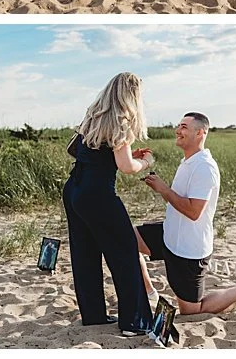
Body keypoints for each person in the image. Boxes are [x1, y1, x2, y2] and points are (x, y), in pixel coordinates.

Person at [135, 113, 236, 315]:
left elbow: (194, 212)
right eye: (179, 125)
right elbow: (179, 200)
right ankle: (149, 292)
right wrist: (161, 188)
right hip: (169, 235)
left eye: (184, 127)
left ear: (200, 133)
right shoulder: (187, 162)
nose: (178, 130)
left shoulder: (205, 167)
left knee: (192, 311)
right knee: (126, 238)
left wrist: (164, 189)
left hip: (189, 250)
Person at [62, 73, 154, 336]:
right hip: (98, 194)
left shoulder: (94, 115)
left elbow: (94, 152)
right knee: (124, 252)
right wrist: (145, 162)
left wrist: (125, 155)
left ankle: (93, 316)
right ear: (132, 95)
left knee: (85, 254)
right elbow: (126, 167)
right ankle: (134, 322)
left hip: (74, 189)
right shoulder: (121, 120)